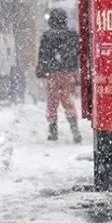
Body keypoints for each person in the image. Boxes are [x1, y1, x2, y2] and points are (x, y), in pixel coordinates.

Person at [37, 8, 82, 143]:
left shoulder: (47, 36)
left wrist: (41, 69)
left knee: (52, 102)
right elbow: (77, 53)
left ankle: (53, 130)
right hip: (68, 72)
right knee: (68, 101)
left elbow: (43, 54)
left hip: (52, 73)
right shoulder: (72, 35)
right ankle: (74, 129)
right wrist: (76, 70)